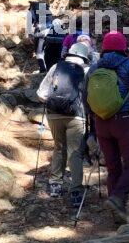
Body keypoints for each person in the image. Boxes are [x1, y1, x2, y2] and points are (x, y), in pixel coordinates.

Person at [83, 31, 129, 223]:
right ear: (124, 48)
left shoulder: (93, 68)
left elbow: (86, 97)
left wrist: (93, 122)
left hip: (101, 123)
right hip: (125, 122)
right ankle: (117, 200)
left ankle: (118, 215)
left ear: (104, 48)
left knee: (113, 168)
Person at [37, 42, 92, 206]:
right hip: (77, 116)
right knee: (75, 152)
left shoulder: (56, 67)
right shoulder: (87, 70)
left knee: (59, 147)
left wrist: (54, 102)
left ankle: (55, 185)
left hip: (54, 114)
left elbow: (41, 93)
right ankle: (75, 191)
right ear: (84, 56)